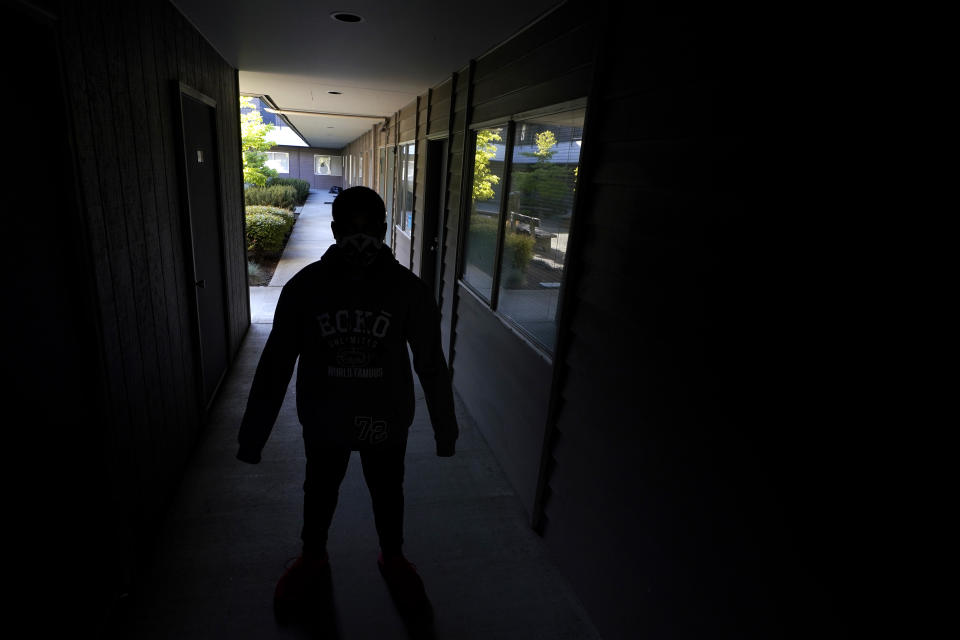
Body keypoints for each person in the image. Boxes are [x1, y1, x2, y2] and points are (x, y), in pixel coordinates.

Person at [236, 186, 459, 623]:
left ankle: (392, 557)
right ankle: (313, 557)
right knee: (319, 490)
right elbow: (275, 364)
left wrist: (445, 429)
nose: (361, 237)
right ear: (335, 230)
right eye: (351, 228)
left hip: (385, 417)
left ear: (382, 228)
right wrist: (253, 438)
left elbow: (431, 363)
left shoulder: (407, 291)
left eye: (370, 227)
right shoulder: (305, 289)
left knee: (387, 491)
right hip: (326, 417)